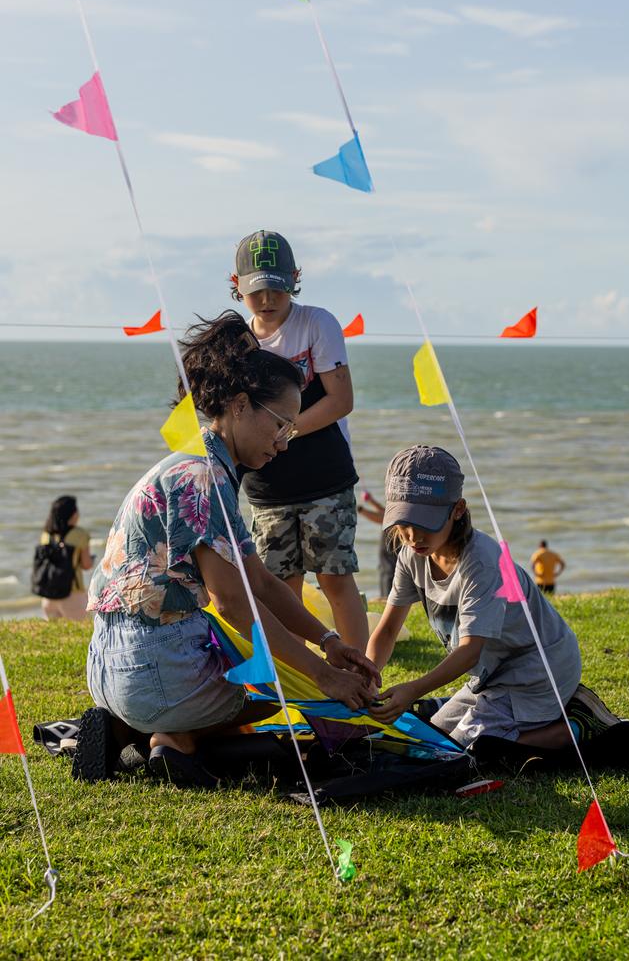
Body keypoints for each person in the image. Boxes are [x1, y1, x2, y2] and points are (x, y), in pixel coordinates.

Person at [76, 311, 380, 787]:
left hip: (107, 663)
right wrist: (322, 678)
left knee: (265, 669)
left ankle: (130, 727)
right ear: (240, 405)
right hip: (153, 670)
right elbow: (234, 602)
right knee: (275, 694)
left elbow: (260, 580)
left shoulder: (196, 464)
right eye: (281, 425)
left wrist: (330, 643)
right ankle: (172, 739)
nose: (284, 444)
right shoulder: (205, 479)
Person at [366, 445, 616, 749]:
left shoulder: (483, 563)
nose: (413, 536)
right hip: (492, 675)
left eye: (426, 524)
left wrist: (414, 689)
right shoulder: (411, 555)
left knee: (465, 750)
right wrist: (369, 676)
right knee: (431, 736)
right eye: (404, 523)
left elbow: (470, 651)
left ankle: (577, 726)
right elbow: (388, 630)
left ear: (457, 510)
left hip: (540, 671)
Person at [231, 229, 368, 650]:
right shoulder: (237, 339)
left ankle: (364, 676)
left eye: (278, 287)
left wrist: (283, 431)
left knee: (335, 579)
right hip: (267, 485)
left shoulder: (316, 322)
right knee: (280, 586)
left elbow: (340, 399)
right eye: (258, 290)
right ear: (237, 285)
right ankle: (303, 684)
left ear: (294, 278)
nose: (269, 299)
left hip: (324, 475)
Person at [38, 495, 93, 621]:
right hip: (73, 596)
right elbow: (86, 565)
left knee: (53, 635)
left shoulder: (46, 535)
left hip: (48, 597)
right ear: (72, 514)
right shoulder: (80, 534)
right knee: (86, 634)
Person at [356, 491, 397, 600]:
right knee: (386, 569)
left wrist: (360, 510)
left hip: (392, 543)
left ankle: (387, 599)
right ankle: (386, 598)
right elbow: (387, 513)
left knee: (389, 570)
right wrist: (371, 501)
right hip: (390, 544)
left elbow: (386, 518)